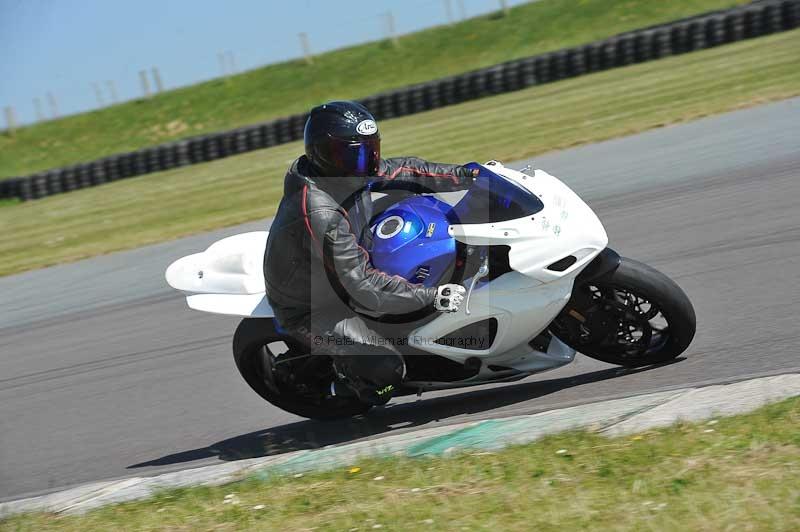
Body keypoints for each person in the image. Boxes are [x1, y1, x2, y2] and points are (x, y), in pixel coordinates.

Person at [263, 100, 475, 406]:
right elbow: (363, 287)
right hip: (314, 307)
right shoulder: (319, 210)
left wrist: (468, 174)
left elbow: (410, 169)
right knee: (388, 372)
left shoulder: (349, 171)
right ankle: (343, 386)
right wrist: (434, 296)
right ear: (323, 153)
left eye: (370, 150)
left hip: (346, 266)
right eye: (355, 154)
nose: (368, 162)